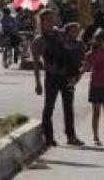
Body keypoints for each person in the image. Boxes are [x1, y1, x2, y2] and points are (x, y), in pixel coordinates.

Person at [31, 9, 83, 147]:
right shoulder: (38, 41)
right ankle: (48, 137)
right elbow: (36, 64)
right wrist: (37, 83)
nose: (51, 21)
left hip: (67, 76)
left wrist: (76, 74)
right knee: (49, 107)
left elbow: (74, 50)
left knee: (69, 107)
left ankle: (71, 136)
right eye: (47, 19)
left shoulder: (61, 34)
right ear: (41, 22)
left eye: (52, 18)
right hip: (52, 77)